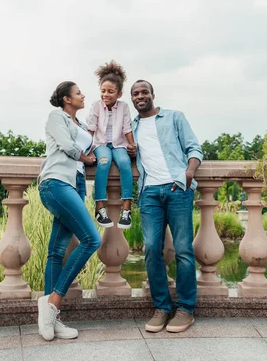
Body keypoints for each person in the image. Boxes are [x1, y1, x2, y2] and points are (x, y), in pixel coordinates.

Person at [128, 79, 203, 333]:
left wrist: (189, 173)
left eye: (144, 92)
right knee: (150, 248)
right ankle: (161, 307)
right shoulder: (132, 127)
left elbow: (194, 148)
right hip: (149, 192)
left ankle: (186, 309)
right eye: (135, 93)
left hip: (177, 190)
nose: (140, 96)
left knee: (183, 249)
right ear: (132, 99)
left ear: (152, 95)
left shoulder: (174, 117)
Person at [37, 81, 101, 341]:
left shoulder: (82, 125)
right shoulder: (57, 117)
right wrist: (84, 157)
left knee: (57, 251)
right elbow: (67, 146)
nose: (83, 95)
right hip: (56, 182)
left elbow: (95, 146)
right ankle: (53, 303)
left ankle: (51, 319)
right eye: (78, 93)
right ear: (66, 99)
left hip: (75, 186)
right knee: (91, 239)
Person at [87, 60, 136, 229]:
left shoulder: (124, 107)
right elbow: (91, 130)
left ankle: (126, 208)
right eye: (103, 91)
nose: (105, 94)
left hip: (119, 144)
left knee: (124, 163)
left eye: (110, 91)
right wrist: (87, 151)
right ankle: (100, 206)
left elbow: (127, 127)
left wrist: (132, 145)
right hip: (101, 144)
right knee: (104, 162)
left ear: (119, 94)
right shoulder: (96, 106)